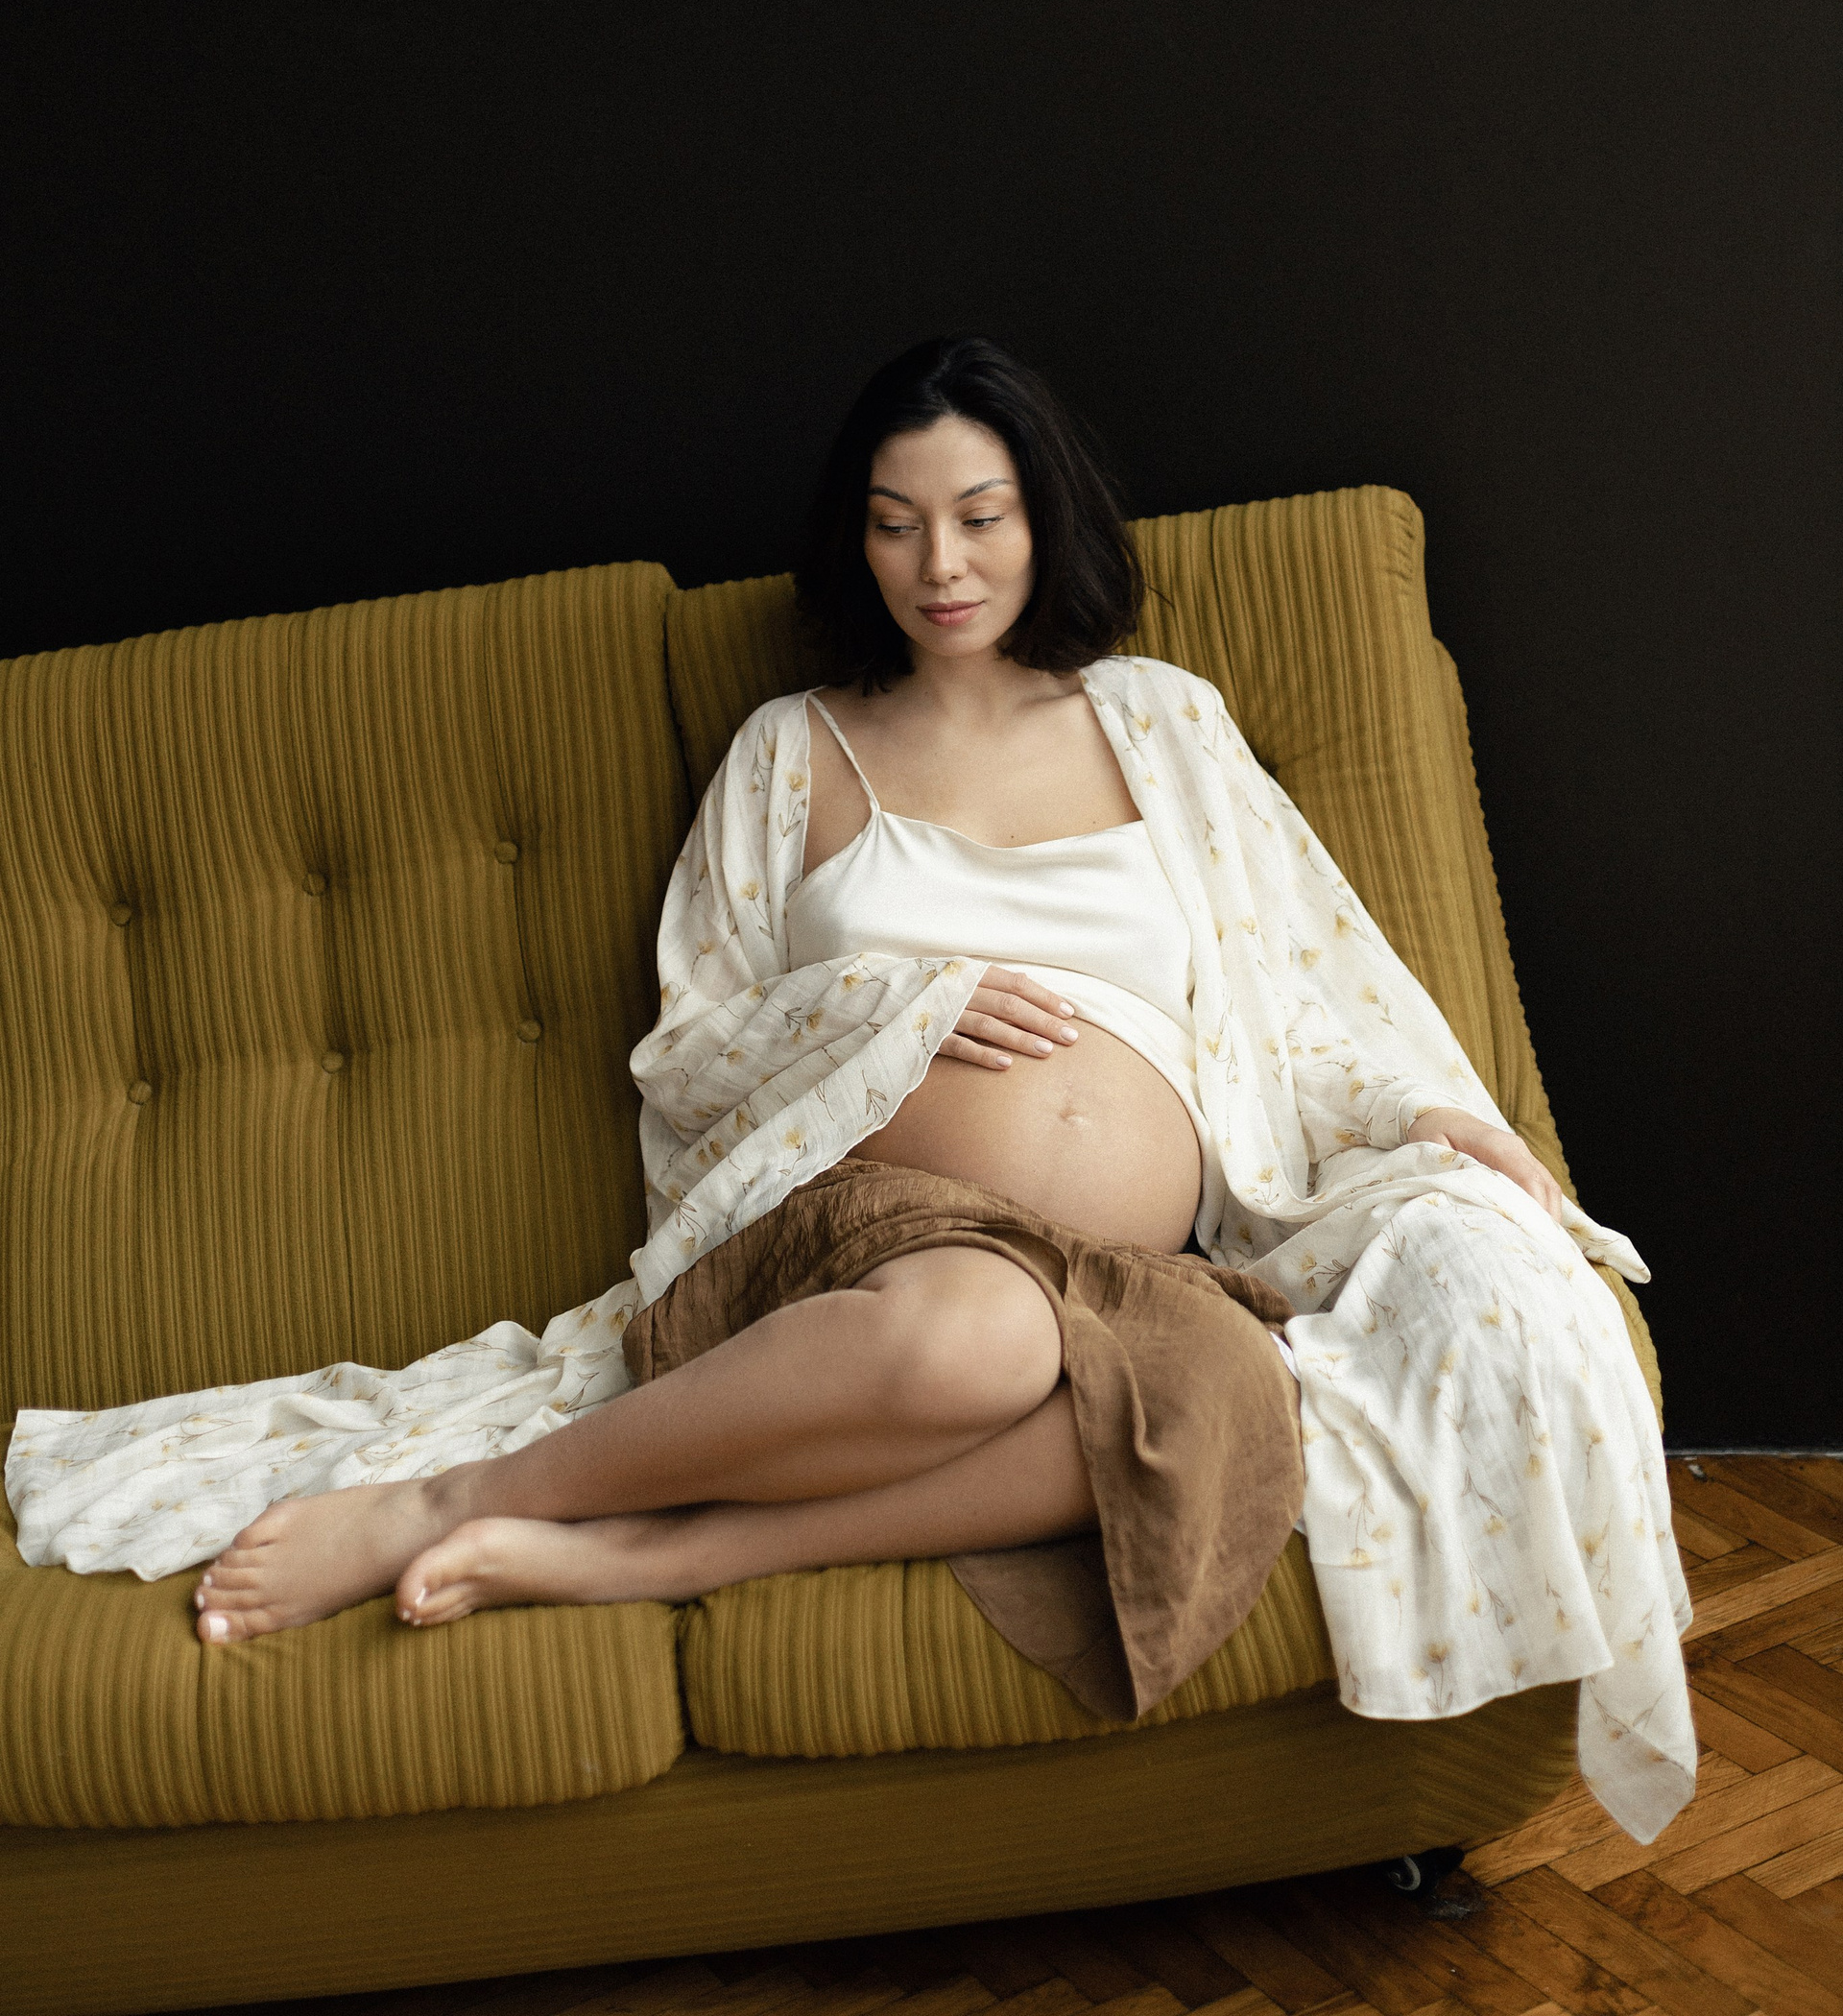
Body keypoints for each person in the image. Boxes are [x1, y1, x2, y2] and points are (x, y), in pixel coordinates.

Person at [6, 336, 1692, 1835]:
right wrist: (904, 1003)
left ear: (1043, 515)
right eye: (897, 523)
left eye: (979, 515)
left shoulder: (1161, 723)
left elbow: (1305, 984)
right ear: (855, 538)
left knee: (1224, 1405)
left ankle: (647, 1553)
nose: (940, 564)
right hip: (880, 1236)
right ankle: (447, 1500)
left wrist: (1425, 1115)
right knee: (990, 1337)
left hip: (1139, 1272)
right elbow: (689, 1053)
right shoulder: (792, 752)